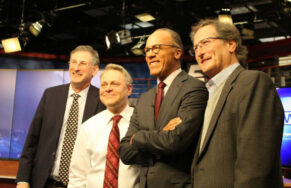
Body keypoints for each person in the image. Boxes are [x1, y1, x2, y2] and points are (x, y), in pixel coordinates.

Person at [189, 18, 284, 187]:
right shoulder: (209, 93)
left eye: (205, 43)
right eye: (195, 47)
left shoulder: (253, 82)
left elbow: (255, 164)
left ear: (231, 45)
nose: (199, 52)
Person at [119, 28, 208, 188]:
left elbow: (175, 141)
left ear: (177, 53)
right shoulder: (144, 99)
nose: (150, 55)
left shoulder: (194, 88)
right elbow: (125, 152)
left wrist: (138, 137)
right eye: (147, 50)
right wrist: (160, 142)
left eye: (156, 48)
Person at [16, 45, 106, 188]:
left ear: (94, 70)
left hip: (82, 184)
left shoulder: (103, 100)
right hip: (44, 183)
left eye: (82, 63)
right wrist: (22, 179)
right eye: (73, 62)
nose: (76, 68)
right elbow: (32, 140)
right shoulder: (50, 95)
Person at [68, 63, 140, 188]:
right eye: (104, 85)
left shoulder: (143, 122)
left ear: (129, 89)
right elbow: (77, 177)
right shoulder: (88, 127)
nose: (108, 89)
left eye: (114, 84)